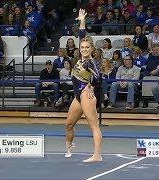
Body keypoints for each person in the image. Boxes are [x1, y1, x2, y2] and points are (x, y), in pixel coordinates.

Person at [65, 9, 102, 163]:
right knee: (68, 124)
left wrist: (91, 87)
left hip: (86, 94)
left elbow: (99, 79)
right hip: (77, 96)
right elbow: (81, 34)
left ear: (92, 49)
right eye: (83, 47)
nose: (84, 49)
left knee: (93, 124)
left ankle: (97, 155)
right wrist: (82, 20)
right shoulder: (81, 56)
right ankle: (69, 145)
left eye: (87, 48)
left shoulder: (90, 62)